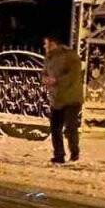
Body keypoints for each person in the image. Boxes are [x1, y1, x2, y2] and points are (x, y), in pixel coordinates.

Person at [42, 34, 84, 164]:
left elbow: (74, 75)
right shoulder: (49, 57)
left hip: (71, 97)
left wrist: (57, 81)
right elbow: (45, 72)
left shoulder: (69, 56)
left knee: (70, 127)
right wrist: (45, 79)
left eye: (46, 43)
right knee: (55, 128)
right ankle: (59, 155)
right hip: (57, 98)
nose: (44, 46)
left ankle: (74, 154)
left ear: (53, 43)